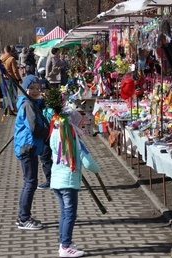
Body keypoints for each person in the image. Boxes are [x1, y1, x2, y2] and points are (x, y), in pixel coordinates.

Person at [49, 106, 100, 257]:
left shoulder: (55, 133)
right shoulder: (72, 139)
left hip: (57, 181)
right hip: (68, 183)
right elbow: (88, 162)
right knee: (70, 214)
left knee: (64, 213)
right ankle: (65, 247)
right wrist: (98, 169)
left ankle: (64, 242)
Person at [13, 73, 49, 230]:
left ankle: (23, 215)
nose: (35, 91)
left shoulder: (31, 103)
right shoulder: (27, 105)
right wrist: (48, 132)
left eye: (37, 88)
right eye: (31, 88)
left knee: (30, 182)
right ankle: (24, 218)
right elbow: (34, 128)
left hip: (30, 147)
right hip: (28, 147)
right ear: (25, 89)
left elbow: (38, 104)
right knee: (30, 182)